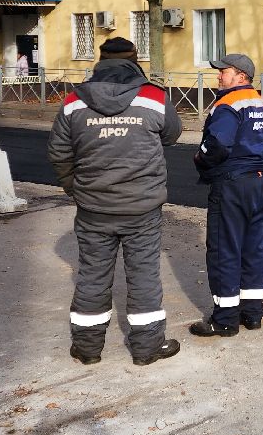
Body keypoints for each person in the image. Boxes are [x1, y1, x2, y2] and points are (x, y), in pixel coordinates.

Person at [48, 36, 182, 366]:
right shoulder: (153, 97)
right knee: (144, 276)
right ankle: (147, 348)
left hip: (94, 207)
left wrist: (73, 188)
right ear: (134, 60)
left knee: (92, 275)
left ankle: (88, 349)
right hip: (142, 207)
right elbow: (172, 134)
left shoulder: (74, 101)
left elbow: (58, 152)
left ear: (101, 60)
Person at [191, 53, 263, 338]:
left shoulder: (227, 104)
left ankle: (225, 320)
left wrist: (200, 160)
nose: (218, 76)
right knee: (253, 249)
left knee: (224, 250)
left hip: (232, 184)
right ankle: (252, 314)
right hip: (260, 183)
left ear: (241, 76)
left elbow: (218, 144)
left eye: (223, 72)